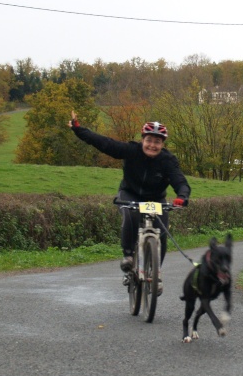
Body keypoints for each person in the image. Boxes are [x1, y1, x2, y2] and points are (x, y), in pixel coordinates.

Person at [69, 112, 190, 292]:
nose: (152, 145)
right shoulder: (131, 151)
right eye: (149, 140)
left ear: (162, 144)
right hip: (130, 193)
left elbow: (180, 181)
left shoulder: (168, 160)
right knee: (130, 214)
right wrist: (78, 129)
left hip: (155, 198)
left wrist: (182, 197)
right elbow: (103, 143)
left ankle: (156, 274)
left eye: (157, 142)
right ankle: (128, 256)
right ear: (142, 140)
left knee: (162, 230)